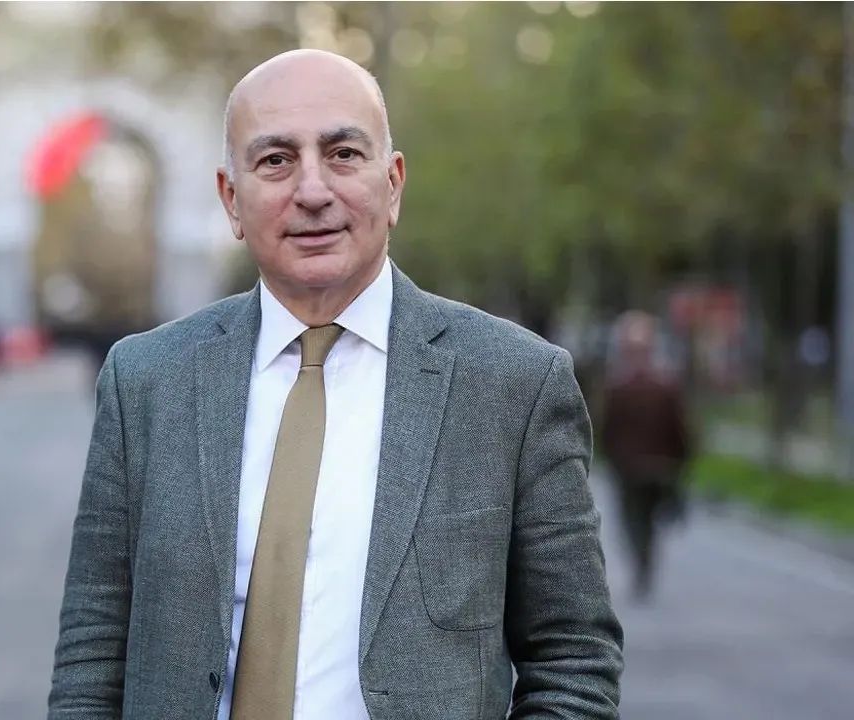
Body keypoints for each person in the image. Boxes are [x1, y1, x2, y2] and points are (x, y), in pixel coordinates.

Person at [49, 49, 623, 720]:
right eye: (275, 160)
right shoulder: (145, 382)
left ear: (393, 183)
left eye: (343, 154)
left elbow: (573, 660)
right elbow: (93, 653)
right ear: (231, 199)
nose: (313, 191)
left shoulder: (513, 385)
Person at [599, 310, 694, 602]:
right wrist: (681, 461)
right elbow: (682, 429)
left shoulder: (618, 387)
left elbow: (605, 427)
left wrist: (609, 456)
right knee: (647, 520)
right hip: (656, 466)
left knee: (634, 520)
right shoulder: (665, 385)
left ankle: (642, 562)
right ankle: (645, 562)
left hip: (630, 466)